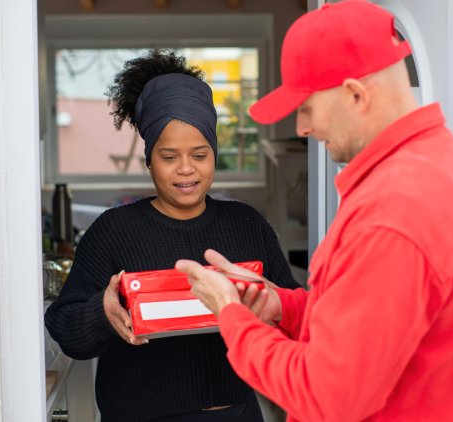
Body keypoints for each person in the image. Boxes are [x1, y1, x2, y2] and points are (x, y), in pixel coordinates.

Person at [175, 1, 453, 421]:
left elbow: (326, 396)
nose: (301, 129)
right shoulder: (430, 166)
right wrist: (282, 306)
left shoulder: (397, 210)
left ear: (355, 95)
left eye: (307, 108)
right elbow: (375, 329)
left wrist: (232, 315)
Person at [44, 49, 299, 422]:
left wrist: (268, 306)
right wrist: (103, 310)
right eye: (168, 157)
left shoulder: (246, 224)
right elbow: (65, 329)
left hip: (239, 413)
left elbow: (292, 313)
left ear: (214, 153)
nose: (185, 170)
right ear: (149, 158)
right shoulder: (113, 231)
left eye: (199, 155)